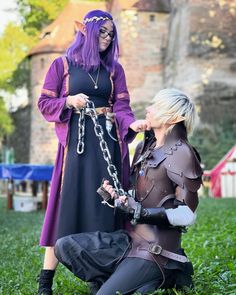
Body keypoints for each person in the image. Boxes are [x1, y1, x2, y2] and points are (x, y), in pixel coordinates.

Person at [37, 9, 150, 295]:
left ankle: (98, 277)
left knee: (105, 209)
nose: (107, 37)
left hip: (108, 146)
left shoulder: (115, 70)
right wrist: (69, 100)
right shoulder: (61, 65)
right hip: (76, 148)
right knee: (66, 209)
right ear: (87, 31)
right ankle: (45, 283)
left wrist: (133, 123)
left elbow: (122, 108)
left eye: (111, 34)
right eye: (103, 31)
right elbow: (44, 103)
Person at [54, 88, 203, 294]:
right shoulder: (144, 147)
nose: (149, 109)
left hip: (156, 252)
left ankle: (168, 274)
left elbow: (187, 215)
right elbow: (137, 196)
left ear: (175, 117)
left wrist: (141, 213)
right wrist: (116, 197)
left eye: (157, 106)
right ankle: (122, 278)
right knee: (65, 246)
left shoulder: (182, 152)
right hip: (129, 242)